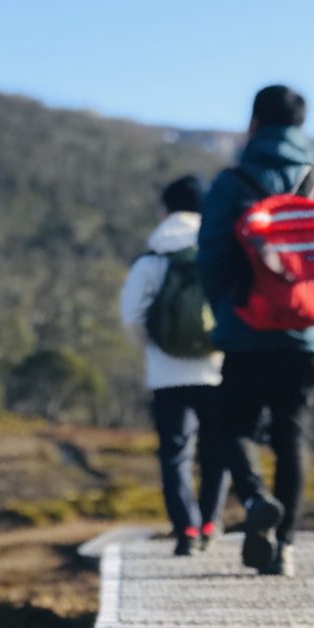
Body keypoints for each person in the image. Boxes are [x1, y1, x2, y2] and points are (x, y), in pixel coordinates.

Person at [196, 84, 314, 577]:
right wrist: (313, 296)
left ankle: (253, 499)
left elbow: (211, 257)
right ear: (300, 126)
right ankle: (284, 547)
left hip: (245, 327)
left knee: (232, 425)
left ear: (253, 124)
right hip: (307, 334)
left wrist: (227, 307)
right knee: (291, 434)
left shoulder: (234, 183)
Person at [119, 174, 226, 554]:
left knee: (175, 454)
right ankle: (211, 520)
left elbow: (132, 315)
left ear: (165, 209)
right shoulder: (219, 248)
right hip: (217, 368)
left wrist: (155, 347)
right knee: (217, 449)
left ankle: (187, 531)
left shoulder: (154, 256)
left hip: (167, 374)